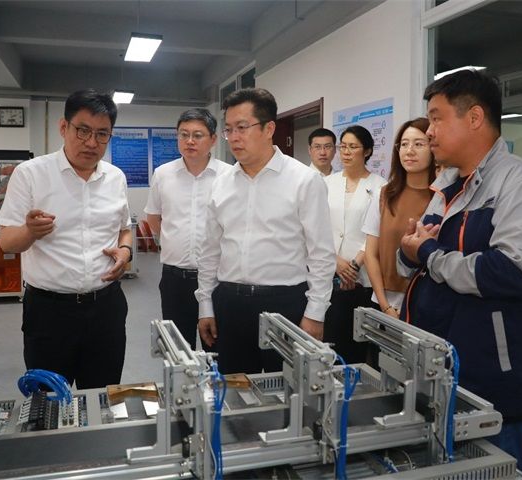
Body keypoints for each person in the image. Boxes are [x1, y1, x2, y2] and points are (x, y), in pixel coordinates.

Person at [397, 70, 522, 474]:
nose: (429, 131)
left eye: (437, 118)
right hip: (447, 367)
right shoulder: (449, 185)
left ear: (474, 117)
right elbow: (418, 260)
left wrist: (429, 253)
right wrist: (410, 252)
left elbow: (515, 272)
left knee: (494, 468)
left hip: (496, 377)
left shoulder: (521, 185)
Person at [0, 89, 132, 389]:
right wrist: (30, 232)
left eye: (102, 134)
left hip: (106, 308)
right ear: (63, 127)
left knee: (102, 395)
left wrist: (125, 250)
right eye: (82, 130)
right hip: (49, 313)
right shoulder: (30, 174)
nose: (91, 142)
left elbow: (125, 227)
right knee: (48, 401)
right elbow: (7, 242)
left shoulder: (116, 178)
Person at [195, 88, 335, 375]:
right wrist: (205, 305)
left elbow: (321, 254)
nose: (234, 137)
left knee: (286, 391)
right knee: (233, 389)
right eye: (229, 129)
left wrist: (315, 313)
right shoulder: (221, 184)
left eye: (242, 127)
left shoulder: (304, 181)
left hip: (285, 304)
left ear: (269, 128)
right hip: (230, 303)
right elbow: (209, 251)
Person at [144, 108, 230, 349]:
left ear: (213, 139)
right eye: (183, 134)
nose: (190, 141)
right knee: (179, 350)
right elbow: (153, 218)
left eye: (197, 135)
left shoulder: (229, 176)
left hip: (218, 279)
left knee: (217, 349)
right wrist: (173, 241)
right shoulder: (163, 174)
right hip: (175, 280)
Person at [323, 126, 385, 363]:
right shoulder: (327, 183)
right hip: (329, 271)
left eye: (353, 147)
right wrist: (336, 261)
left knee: (356, 345)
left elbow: (377, 231)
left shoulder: (380, 185)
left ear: (367, 151)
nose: (346, 152)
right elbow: (317, 227)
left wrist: (354, 265)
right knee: (330, 339)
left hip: (363, 275)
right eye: (343, 147)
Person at [363, 118, 436, 320]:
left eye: (418, 144)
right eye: (404, 144)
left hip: (429, 302)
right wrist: (385, 306)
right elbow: (370, 254)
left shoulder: (443, 197)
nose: (409, 151)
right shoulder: (384, 195)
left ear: (433, 148)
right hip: (385, 302)